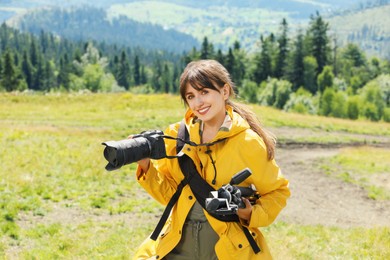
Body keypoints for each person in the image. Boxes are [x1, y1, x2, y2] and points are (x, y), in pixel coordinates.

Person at [133, 59, 290, 259]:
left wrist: (248, 212)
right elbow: (171, 195)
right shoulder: (177, 136)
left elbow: (278, 192)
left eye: (204, 92)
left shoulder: (248, 142)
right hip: (179, 244)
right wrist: (145, 165)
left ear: (224, 92)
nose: (198, 103)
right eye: (191, 96)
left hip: (227, 249)